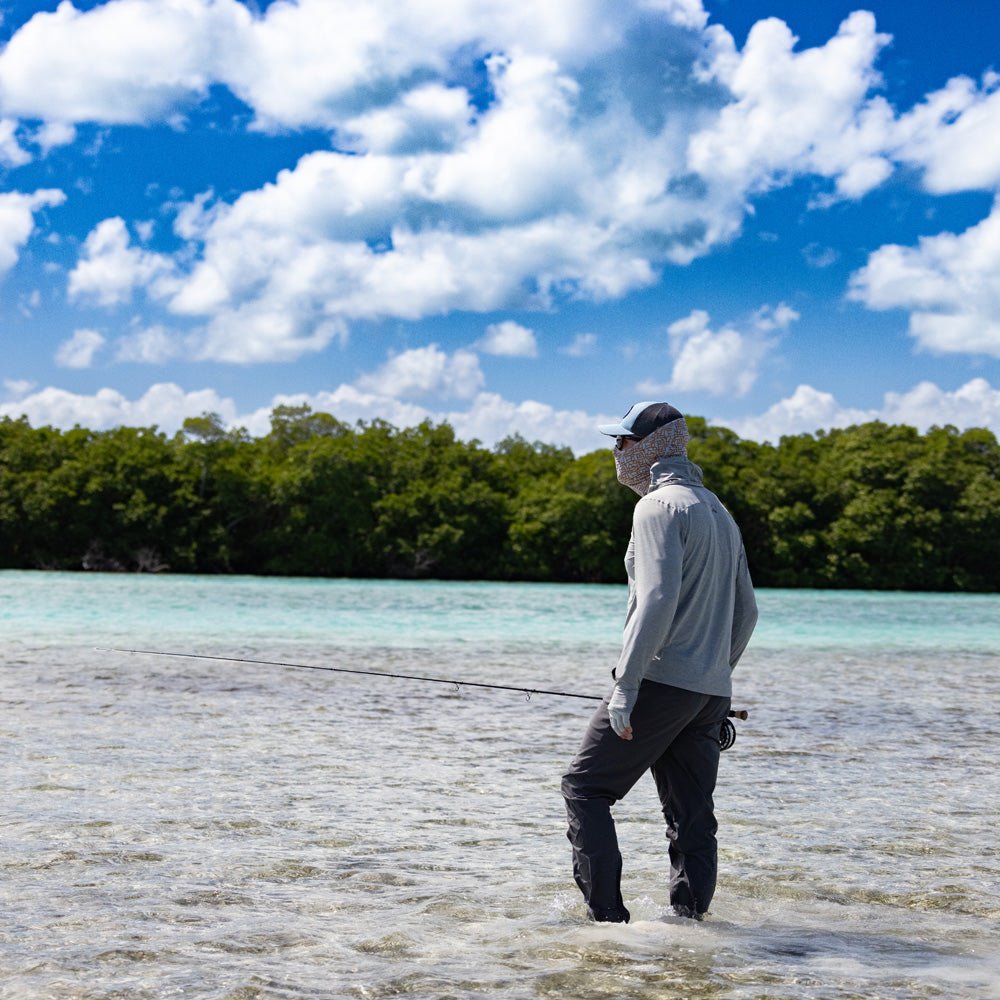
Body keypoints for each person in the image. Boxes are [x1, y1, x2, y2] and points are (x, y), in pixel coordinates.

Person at [561, 401, 758, 923]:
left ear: (648, 447)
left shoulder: (656, 506)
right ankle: (689, 927)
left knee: (585, 788)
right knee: (692, 817)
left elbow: (655, 600)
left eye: (622, 442)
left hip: (658, 684)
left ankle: (607, 922)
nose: (615, 451)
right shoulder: (719, 510)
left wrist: (625, 687)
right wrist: (716, 674)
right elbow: (749, 611)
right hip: (710, 693)